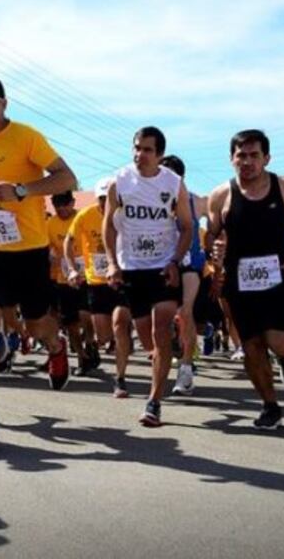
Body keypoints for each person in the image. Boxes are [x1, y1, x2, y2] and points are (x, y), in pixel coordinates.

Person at [0, 75, 77, 442]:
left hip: (29, 249)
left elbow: (66, 176)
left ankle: (56, 347)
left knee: (37, 325)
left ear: (3, 103)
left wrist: (22, 190)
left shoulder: (26, 137)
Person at [207, 129, 284, 430]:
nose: (247, 162)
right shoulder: (221, 195)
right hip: (240, 281)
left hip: (279, 276)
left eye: (254, 155)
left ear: (267, 158)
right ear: (231, 159)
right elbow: (211, 233)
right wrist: (213, 246)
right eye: (241, 156)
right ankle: (270, 405)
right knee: (251, 346)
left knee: (279, 342)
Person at [104, 128, 193, 426]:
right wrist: (112, 264)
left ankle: (154, 401)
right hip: (132, 268)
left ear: (160, 155)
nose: (139, 155)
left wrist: (175, 260)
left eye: (147, 150)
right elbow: (109, 226)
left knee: (160, 328)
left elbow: (187, 226)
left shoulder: (173, 183)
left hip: (162, 267)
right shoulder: (120, 180)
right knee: (147, 341)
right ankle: (166, 351)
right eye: (136, 148)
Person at [65, 179, 131, 391]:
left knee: (119, 323)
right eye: (102, 199)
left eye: (109, 199)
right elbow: (69, 241)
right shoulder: (85, 216)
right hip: (96, 281)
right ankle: (111, 339)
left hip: (122, 279)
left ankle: (120, 379)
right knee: (103, 336)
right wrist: (73, 268)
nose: (105, 204)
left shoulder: (126, 215)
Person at [160, 155, 208, 396]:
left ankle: (186, 369)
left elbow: (220, 214)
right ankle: (177, 347)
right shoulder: (151, 202)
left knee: (185, 312)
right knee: (163, 319)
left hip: (190, 265)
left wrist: (217, 244)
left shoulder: (195, 201)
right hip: (158, 266)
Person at [47, 191, 99, 375]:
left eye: (65, 205)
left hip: (88, 275)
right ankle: (82, 358)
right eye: (57, 206)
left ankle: (91, 341)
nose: (61, 209)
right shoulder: (50, 224)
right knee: (70, 323)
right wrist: (50, 256)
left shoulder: (83, 219)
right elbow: (47, 246)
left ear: (72, 203)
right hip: (64, 278)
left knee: (86, 315)